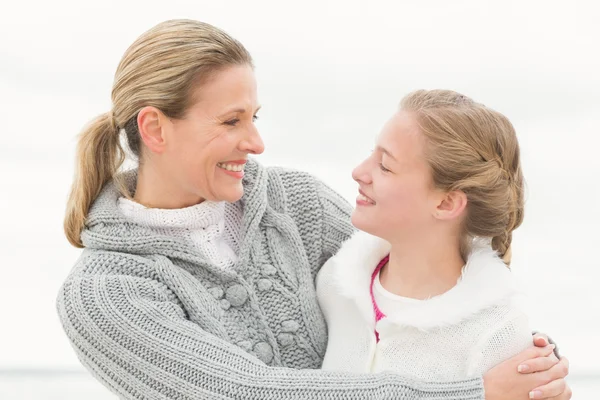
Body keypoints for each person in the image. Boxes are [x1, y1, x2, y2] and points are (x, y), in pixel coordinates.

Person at [57, 19, 571, 400]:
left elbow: (421, 262)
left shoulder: (296, 204)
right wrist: (473, 393)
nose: (255, 142)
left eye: (254, 117)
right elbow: (245, 392)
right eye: (231, 121)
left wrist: (517, 351)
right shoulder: (103, 294)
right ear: (155, 129)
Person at [318, 89, 546, 387]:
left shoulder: (498, 334)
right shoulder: (333, 283)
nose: (359, 172)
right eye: (371, 155)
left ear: (446, 204)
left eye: (385, 166)